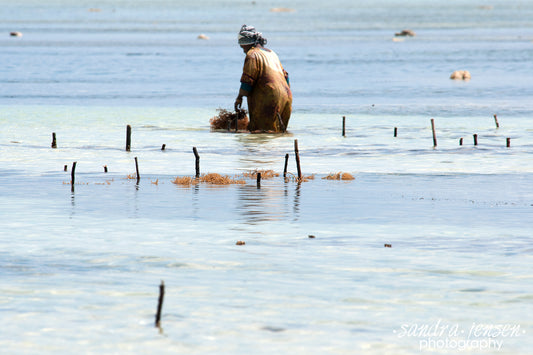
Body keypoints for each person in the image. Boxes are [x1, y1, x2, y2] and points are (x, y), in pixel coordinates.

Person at [234, 25, 292, 133]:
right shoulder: (272, 53)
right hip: (286, 95)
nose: (243, 51)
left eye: (243, 47)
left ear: (247, 43)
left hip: (269, 96)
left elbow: (248, 79)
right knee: (279, 133)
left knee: (262, 132)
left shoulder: (252, 54)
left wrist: (240, 97)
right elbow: (286, 76)